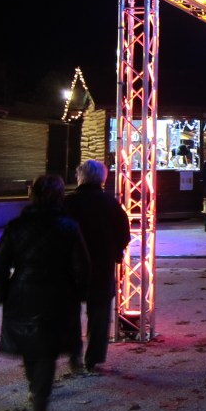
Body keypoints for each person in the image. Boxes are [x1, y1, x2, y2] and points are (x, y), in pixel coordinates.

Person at [0, 174, 90, 411]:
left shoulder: (17, 226)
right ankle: (40, 401)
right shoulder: (68, 226)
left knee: (30, 344)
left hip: (23, 290)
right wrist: (80, 293)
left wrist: (1, 290)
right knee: (47, 349)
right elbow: (81, 265)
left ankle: (35, 389)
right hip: (58, 291)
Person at [63, 159, 131, 374]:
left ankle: (74, 356)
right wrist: (116, 252)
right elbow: (124, 233)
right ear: (102, 178)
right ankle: (93, 358)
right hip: (101, 265)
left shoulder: (68, 203)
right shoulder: (110, 204)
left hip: (71, 267)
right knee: (99, 314)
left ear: (80, 177)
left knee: (70, 313)